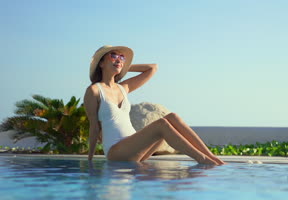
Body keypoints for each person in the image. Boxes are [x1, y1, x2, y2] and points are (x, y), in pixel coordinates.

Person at [84, 45, 225, 165]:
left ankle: (212, 157)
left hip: (136, 150)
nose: (119, 59)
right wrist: (90, 160)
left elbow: (153, 68)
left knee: (172, 117)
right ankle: (203, 160)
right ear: (101, 63)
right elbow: (94, 127)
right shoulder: (95, 90)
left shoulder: (123, 88)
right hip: (116, 152)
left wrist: (123, 67)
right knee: (161, 125)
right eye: (113, 56)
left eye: (122, 58)